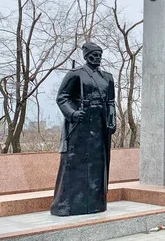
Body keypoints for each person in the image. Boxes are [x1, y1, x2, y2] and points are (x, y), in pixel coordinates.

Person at [50, 41, 116, 216]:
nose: (97, 58)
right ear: (86, 56)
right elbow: (62, 97)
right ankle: (67, 204)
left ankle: (95, 203)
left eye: (100, 55)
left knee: (97, 165)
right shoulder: (76, 74)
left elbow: (111, 103)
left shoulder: (107, 77)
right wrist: (72, 114)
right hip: (80, 126)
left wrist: (112, 120)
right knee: (74, 164)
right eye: (94, 55)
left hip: (100, 127)